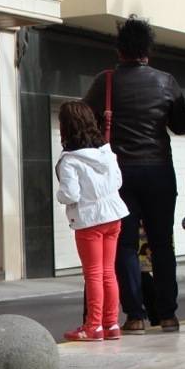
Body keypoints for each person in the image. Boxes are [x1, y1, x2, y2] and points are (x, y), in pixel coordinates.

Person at [84, 16, 185, 334]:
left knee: (125, 245)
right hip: (159, 170)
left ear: (119, 50)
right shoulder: (166, 81)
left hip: (120, 174)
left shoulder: (106, 82)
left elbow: (85, 121)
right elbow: (182, 125)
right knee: (162, 244)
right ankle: (168, 314)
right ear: (148, 50)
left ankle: (135, 315)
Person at [55, 101, 130, 341]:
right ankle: (111, 324)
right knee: (109, 272)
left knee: (94, 274)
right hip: (113, 215)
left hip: (89, 220)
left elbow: (70, 194)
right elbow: (118, 181)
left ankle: (93, 326)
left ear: (66, 127)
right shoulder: (107, 153)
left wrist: (59, 196)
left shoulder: (69, 160)